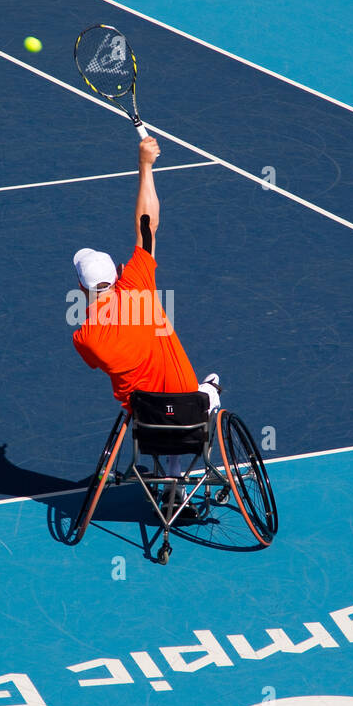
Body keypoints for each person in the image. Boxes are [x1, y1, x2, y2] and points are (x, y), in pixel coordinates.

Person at [71, 136, 220, 502]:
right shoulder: (137, 285)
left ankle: (171, 479)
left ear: (80, 287)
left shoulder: (85, 338)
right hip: (190, 409)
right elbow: (147, 224)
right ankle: (208, 398)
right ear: (119, 271)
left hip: (146, 423)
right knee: (206, 389)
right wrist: (145, 165)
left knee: (154, 402)